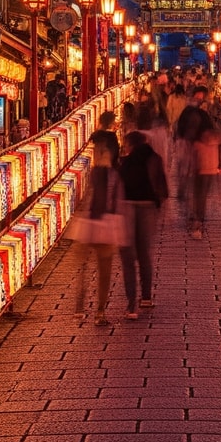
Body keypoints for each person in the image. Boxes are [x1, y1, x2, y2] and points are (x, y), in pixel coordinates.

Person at [73, 112, 125, 325]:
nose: (98, 153)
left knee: (99, 269)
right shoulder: (104, 172)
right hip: (96, 220)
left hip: (100, 221)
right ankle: (85, 306)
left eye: (101, 150)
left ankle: (97, 309)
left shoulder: (100, 173)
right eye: (97, 150)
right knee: (87, 267)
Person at [117, 127, 168, 316]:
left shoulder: (125, 162)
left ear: (130, 144)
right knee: (144, 253)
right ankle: (146, 297)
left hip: (127, 207)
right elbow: (163, 188)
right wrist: (159, 204)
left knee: (128, 257)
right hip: (148, 207)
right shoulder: (155, 158)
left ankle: (131, 304)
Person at [174, 88, 216, 237]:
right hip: (207, 167)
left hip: (200, 166)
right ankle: (198, 220)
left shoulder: (195, 142)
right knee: (201, 194)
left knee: (196, 193)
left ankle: (195, 220)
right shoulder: (209, 136)